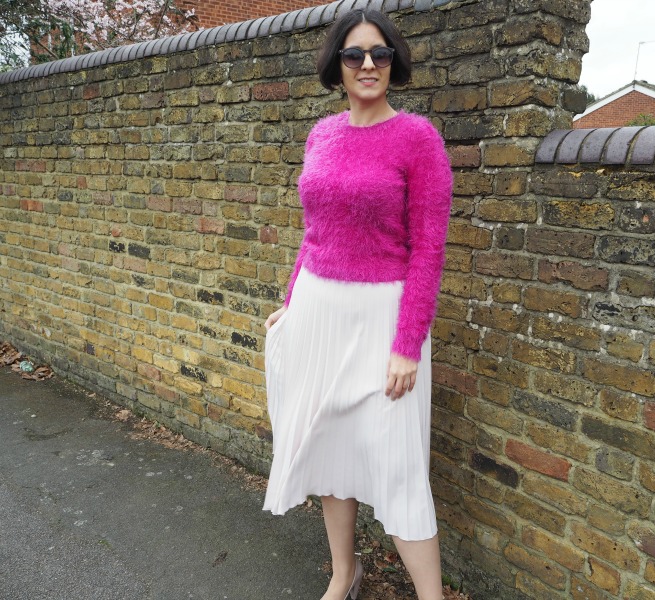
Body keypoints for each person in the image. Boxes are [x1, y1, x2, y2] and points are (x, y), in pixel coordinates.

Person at [261, 8, 452, 600]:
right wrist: (292, 302)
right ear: (337, 67)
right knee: (328, 443)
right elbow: (314, 230)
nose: (367, 64)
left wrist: (406, 345)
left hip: (383, 318)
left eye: (380, 54)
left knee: (397, 465)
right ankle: (345, 574)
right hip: (319, 311)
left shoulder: (417, 138)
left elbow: (429, 251)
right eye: (354, 55)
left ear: (394, 64)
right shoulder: (322, 133)